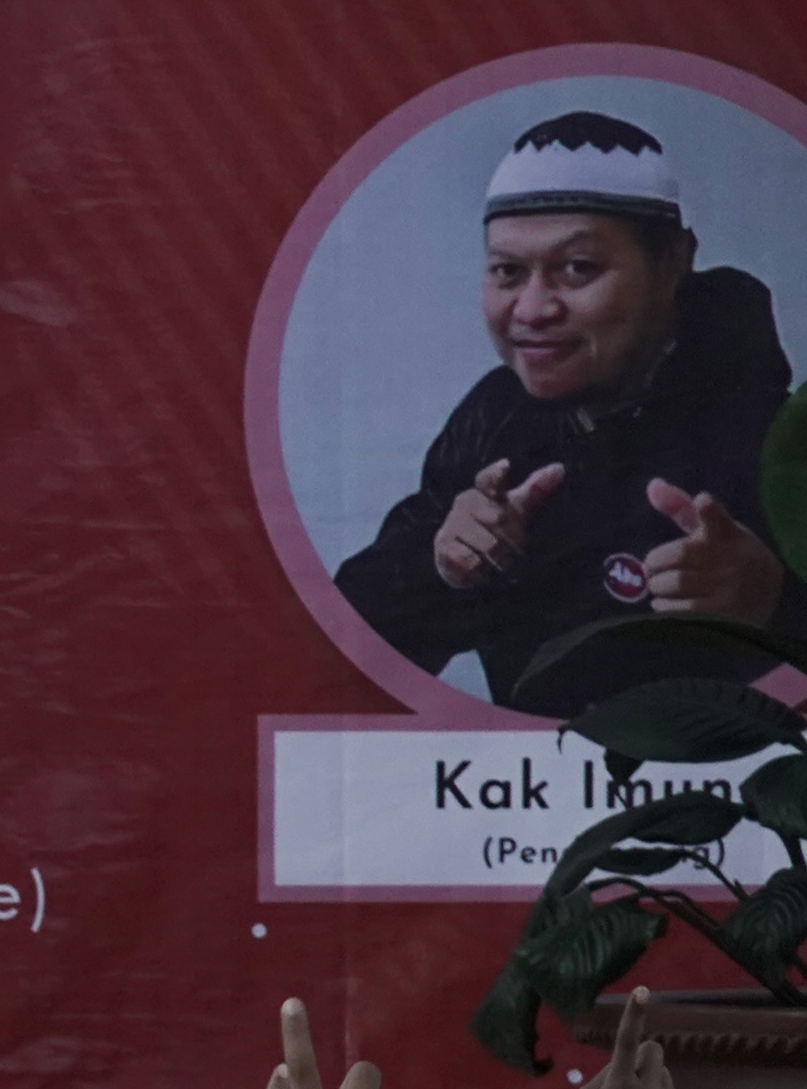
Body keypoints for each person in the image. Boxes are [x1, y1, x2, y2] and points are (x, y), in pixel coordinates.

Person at [331, 109, 801, 712]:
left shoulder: (781, 441)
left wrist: (773, 602)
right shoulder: (494, 419)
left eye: (577, 268)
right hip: (516, 796)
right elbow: (342, 652)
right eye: (507, 271)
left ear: (673, 264)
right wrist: (440, 568)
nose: (531, 310)